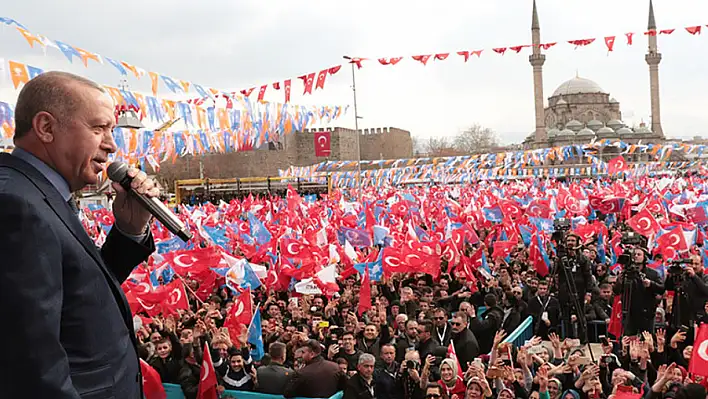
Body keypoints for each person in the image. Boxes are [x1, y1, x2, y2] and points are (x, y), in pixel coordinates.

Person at [0, 72, 158, 398]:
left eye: (111, 130)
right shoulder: (15, 205)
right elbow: (33, 370)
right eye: (98, 128)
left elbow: (80, 293)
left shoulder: (42, 194)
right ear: (46, 128)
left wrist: (129, 231)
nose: (111, 144)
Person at [552, 233, 595, 342]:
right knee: (566, 317)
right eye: (568, 240)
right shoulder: (561, 258)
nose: (570, 243)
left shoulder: (583, 259)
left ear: (577, 243)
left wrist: (589, 292)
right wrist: (558, 259)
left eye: (573, 240)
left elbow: (588, 276)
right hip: (564, 291)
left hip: (579, 291)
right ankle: (568, 338)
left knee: (580, 316)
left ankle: (582, 339)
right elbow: (552, 272)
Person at [612, 247, 664, 335]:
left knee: (647, 339)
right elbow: (616, 291)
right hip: (629, 314)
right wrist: (619, 281)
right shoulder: (625, 273)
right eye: (634, 254)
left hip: (646, 313)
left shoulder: (652, 273)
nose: (636, 256)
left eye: (639, 254)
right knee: (628, 340)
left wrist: (651, 284)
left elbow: (662, 289)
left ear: (644, 257)